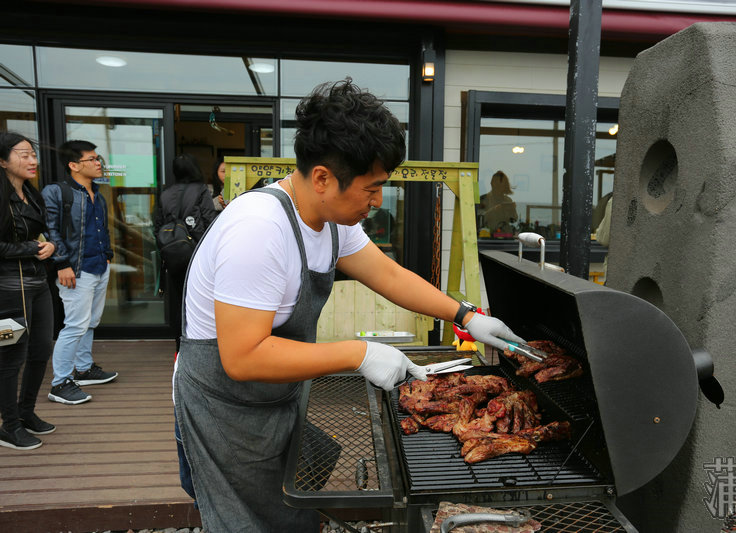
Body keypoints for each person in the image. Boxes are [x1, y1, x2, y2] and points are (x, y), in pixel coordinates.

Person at [173, 79, 525, 532]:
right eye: (371, 188)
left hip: (276, 398)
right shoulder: (258, 231)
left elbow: (390, 275)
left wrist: (466, 316)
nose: (378, 202)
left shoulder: (331, 220)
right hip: (226, 411)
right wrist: (358, 353)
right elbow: (243, 357)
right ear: (322, 177)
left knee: (294, 509)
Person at [42, 140, 118, 406]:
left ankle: (84, 369)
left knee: (89, 322)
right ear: (74, 165)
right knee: (74, 325)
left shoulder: (97, 192)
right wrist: (62, 263)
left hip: (99, 265)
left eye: (99, 159)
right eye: (92, 159)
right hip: (75, 269)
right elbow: (50, 230)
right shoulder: (57, 192)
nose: (99, 163)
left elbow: (101, 230)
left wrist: (107, 256)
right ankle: (60, 383)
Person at [0, 132, 56, 450]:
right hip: (7, 289)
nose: (32, 160)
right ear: (3, 160)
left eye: (33, 154)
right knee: (11, 356)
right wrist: (31, 247)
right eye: (23, 154)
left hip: (37, 284)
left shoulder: (30, 195)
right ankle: (8, 425)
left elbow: (39, 234)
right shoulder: (2, 197)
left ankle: (26, 413)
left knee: (40, 351)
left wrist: (48, 244)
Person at [153, 154, 216, 352]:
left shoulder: (165, 193)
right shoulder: (201, 190)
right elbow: (209, 222)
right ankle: (199, 343)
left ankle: (180, 345)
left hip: (172, 255)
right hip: (196, 252)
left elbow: (157, 226)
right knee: (200, 298)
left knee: (178, 299)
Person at [480, 170, 517, 235]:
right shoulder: (484, 199)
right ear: (492, 184)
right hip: (488, 236)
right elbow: (480, 220)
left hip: (505, 236)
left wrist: (513, 210)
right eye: (496, 184)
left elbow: (513, 220)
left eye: (501, 185)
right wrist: (495, 210)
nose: (498, 187)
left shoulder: (508, 200)